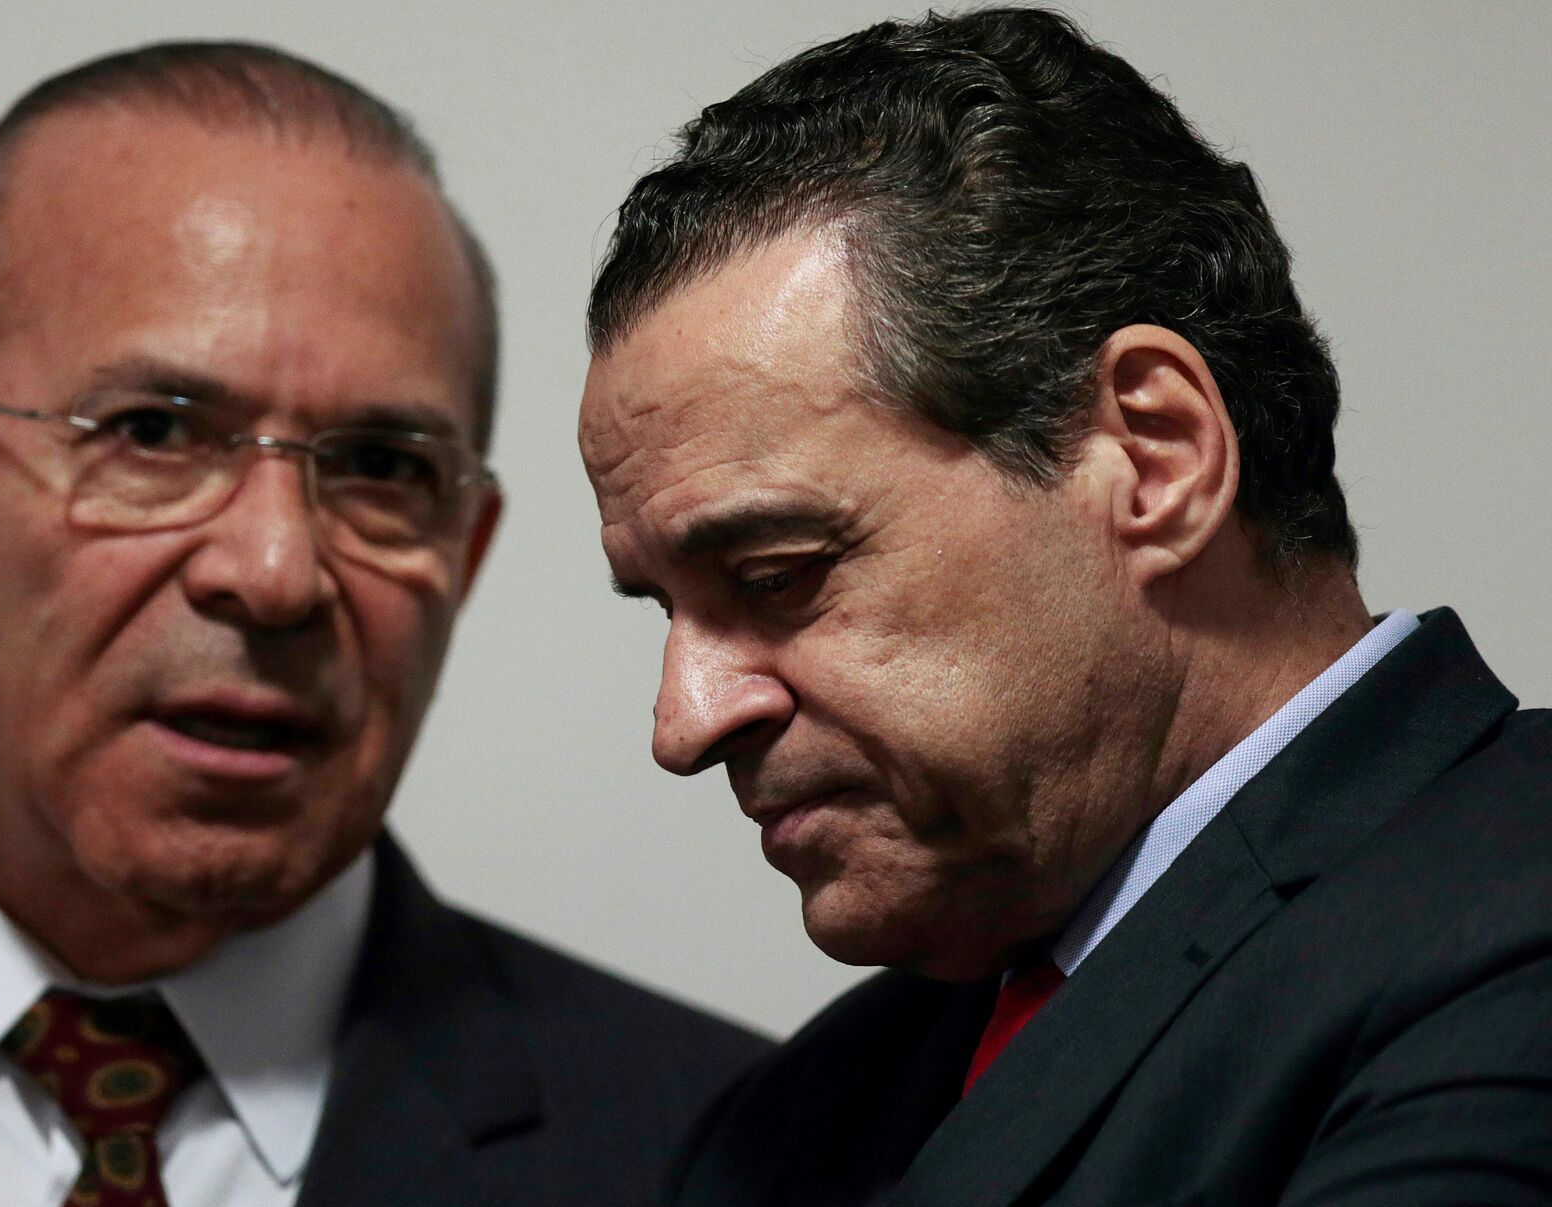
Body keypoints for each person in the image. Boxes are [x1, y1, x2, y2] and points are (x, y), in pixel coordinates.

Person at [0, 41, 767, 1206]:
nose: (275, 573)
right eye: (153, 433)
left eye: (382, 467)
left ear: (461, 557)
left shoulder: (740, 1155)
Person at [579, 8, 1552, 1205]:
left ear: (1155, 459)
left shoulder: (1512, 922)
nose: (684, 723)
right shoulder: (797, 1117)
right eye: (664, 608)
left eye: (777, 575)